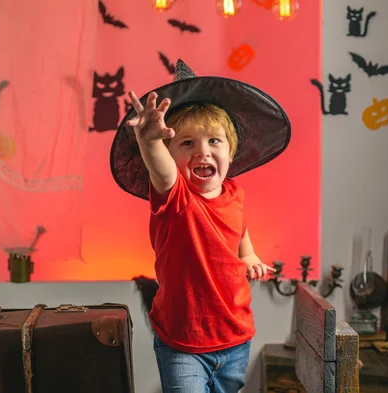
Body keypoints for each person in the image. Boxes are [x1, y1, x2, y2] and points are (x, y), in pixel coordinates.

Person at [110, 59, 291, 393]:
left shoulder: (235, 192)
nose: (202, 151)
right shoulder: (175, 197)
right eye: (187, 143)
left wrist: (248, 254)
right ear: (170, 154)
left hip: (235, 336)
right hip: (183, 343)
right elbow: (162, 172)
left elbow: (238, 226)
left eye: (214, 141)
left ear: (231, 150)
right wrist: (150, 142)